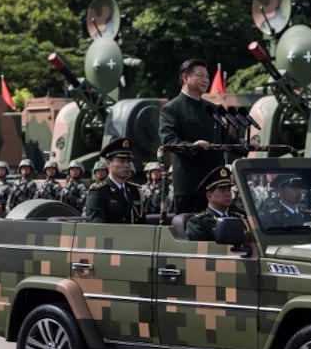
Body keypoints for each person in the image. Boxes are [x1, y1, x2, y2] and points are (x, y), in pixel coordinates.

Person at [159, 59, 242, 213]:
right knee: (191, 231)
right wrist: (193, 146)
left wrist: (245, 146)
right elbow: (169, 140)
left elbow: (224, 139)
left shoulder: (212, 108)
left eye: (207, 77)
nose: (206, 80)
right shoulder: (172, 109)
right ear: (185, 78)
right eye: (200, 76)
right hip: (191, 187)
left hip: (216, 185)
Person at [85, 137, 145, 224]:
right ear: (108, 163)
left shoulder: (135, 191)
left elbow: (142, 224)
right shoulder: (98, 192)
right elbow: (98, 226)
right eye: (121, 161)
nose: (127, 165)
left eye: (128, 161)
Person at [185, 166, 243, 241]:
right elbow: (198, 250)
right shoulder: (198, 223)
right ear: (209, 195)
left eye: (228, 189)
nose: (228, 194)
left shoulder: (239, 218)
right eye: (222, 190)